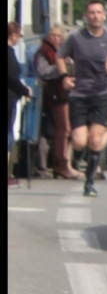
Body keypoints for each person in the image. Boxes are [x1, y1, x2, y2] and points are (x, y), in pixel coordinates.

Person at [57, 0, 107, 197]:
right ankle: (80, 157)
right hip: (80, 95)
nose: (95, 16)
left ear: (105, 16)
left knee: (95, 139)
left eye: (99, 13)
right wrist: (65, 76)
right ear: (86, 16)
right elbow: (60, 56)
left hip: (102, 94)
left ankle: (89, 182)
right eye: (91, 13)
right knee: (79, 142)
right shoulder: (75, 38)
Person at [33, 25, 80, 179]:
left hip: (66, 94)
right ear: (48, 37)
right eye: (52, 35)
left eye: (58, 36)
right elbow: (43, 72)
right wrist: (61, 68)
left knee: (68, 129)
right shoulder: (44, 51)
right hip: (54, 96)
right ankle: (60, 164)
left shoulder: (62, 51)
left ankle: (65, 163)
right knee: (63, 129)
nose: (55, 38)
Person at [7, 22, 33, 187]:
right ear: (14, 35)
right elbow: (11, 77)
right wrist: (25, 90)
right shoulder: (9, 53)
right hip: (9, 98)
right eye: (19, 35)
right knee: (8, 137)